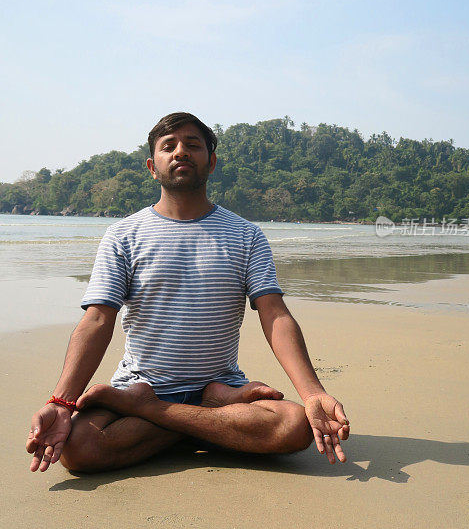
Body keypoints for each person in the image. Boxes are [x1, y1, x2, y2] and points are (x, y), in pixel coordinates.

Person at [26, 112, 350, 474]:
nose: (181, 152)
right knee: (78, 448)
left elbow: (274, 313)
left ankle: (157, 410)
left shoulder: (246, 236)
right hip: (143, 383)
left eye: (193, 145)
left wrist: (312, 393)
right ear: (153, 166)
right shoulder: (123, 236)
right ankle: (208, 417)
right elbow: (98, 319)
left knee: (295, 425)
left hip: (218, 385)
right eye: (169, 146)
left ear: (211, 162)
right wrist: (61, 401)